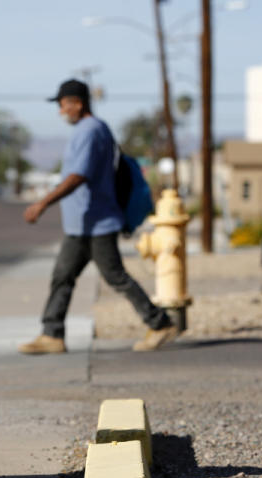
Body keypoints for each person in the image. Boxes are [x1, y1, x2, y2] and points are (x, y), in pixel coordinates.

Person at [18, 79, 178, 355]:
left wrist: (44, 202)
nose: (61, 111)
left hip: (97, 223)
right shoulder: (88, 129)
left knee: (115, 277)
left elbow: (79, 175)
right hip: (82, 224)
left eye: (63, 105)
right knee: (63, 276)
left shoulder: (91, 131)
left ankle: (160, 323)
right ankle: (52, 334)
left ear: (77, 103)